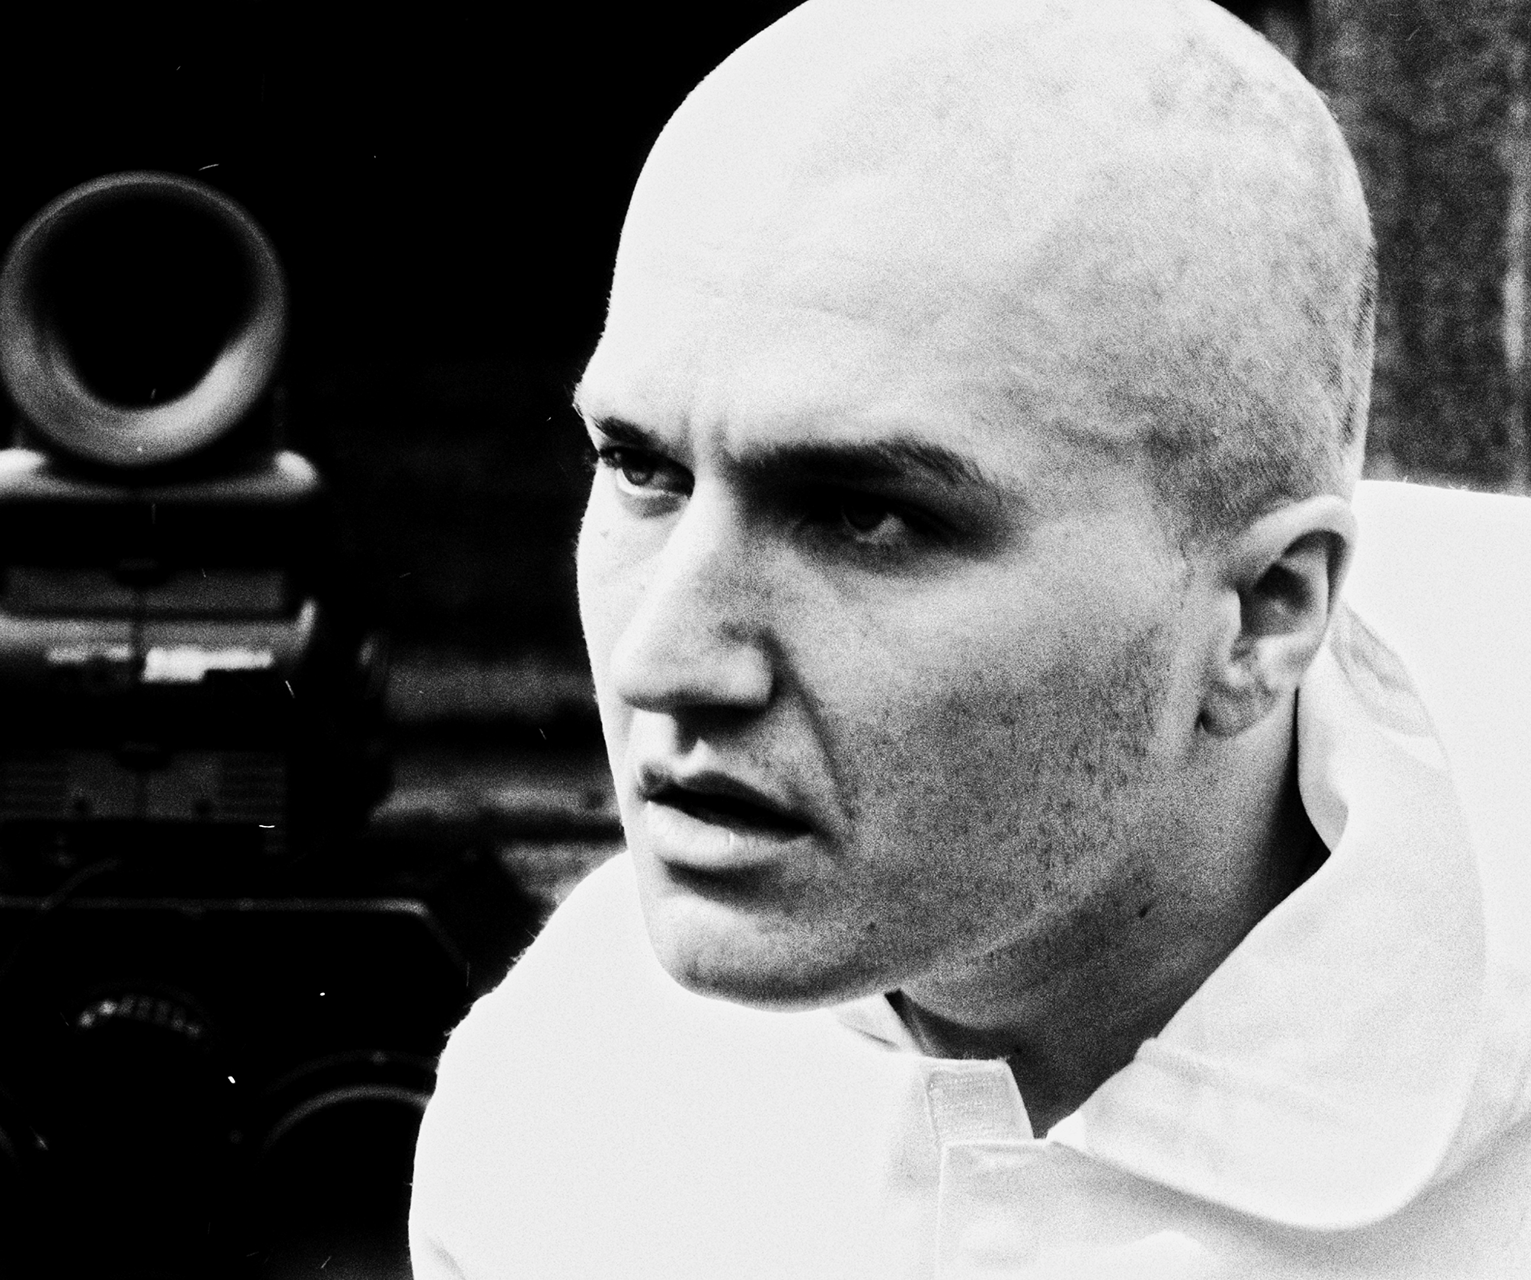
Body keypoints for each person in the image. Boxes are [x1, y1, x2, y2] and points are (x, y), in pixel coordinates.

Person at [408, 1, 1531, 1275]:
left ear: (1265, 611)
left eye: (866, 517)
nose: (663, 661)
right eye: (640, 467)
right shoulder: (561, 1127)